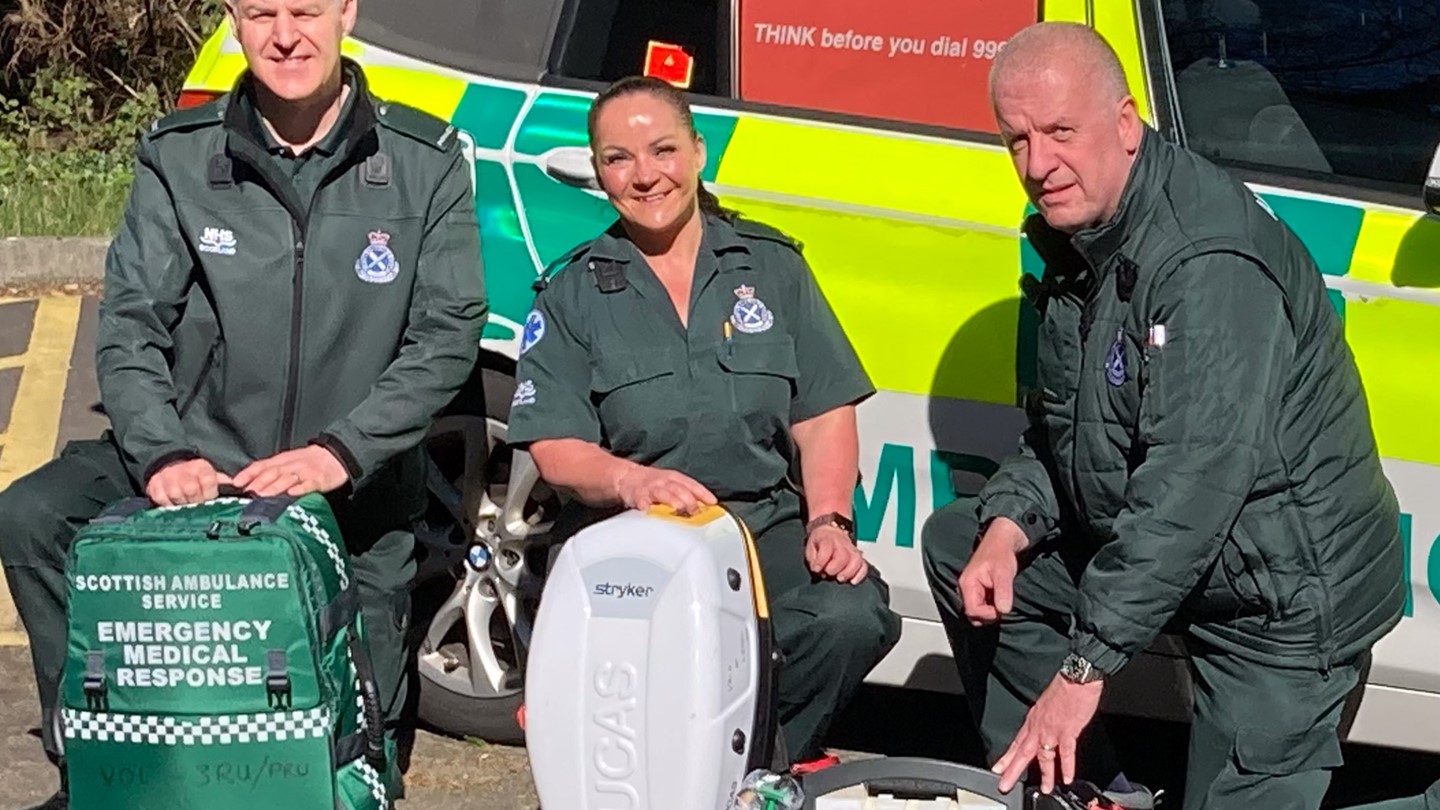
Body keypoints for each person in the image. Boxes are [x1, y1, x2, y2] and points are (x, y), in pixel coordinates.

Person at [0, 0, 487, 806]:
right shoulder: (179, 157)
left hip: (350, 493)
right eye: (261, 13)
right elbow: (129, 325)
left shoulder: (424, 159)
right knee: (32, 517)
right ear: (233, 19)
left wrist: (341, 452)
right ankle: (97, 743)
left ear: (345, 13)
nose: (285, 35)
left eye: (305, 10)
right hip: (203, 465)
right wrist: (163, 451)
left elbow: (447, 333)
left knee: (352, 767)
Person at [921, 22, 1405, 810]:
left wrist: (1083, 672)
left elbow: (1189, 488)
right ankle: (1082, 796)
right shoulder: (1081, 238)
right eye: (1017, 141)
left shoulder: (1205, 263)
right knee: (963, 546)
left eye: (1061, 133)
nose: (1038, 166)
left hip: (1277, 597)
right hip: (1190, 561)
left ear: (1124, 122)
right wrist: (1009, 526)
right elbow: (1063, 435)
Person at [505, 75, 901, 770]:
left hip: (760, 530)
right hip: (634, 541)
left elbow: (823, 412)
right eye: (618, 159)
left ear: (698, 152)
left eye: (662, 150)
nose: (645, 175)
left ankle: (751, 773)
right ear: (597, 174)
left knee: (852, 616)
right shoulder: (570, 291)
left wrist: (830, 521)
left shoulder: (772, 268)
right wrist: (630, 481)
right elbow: (556, 447)